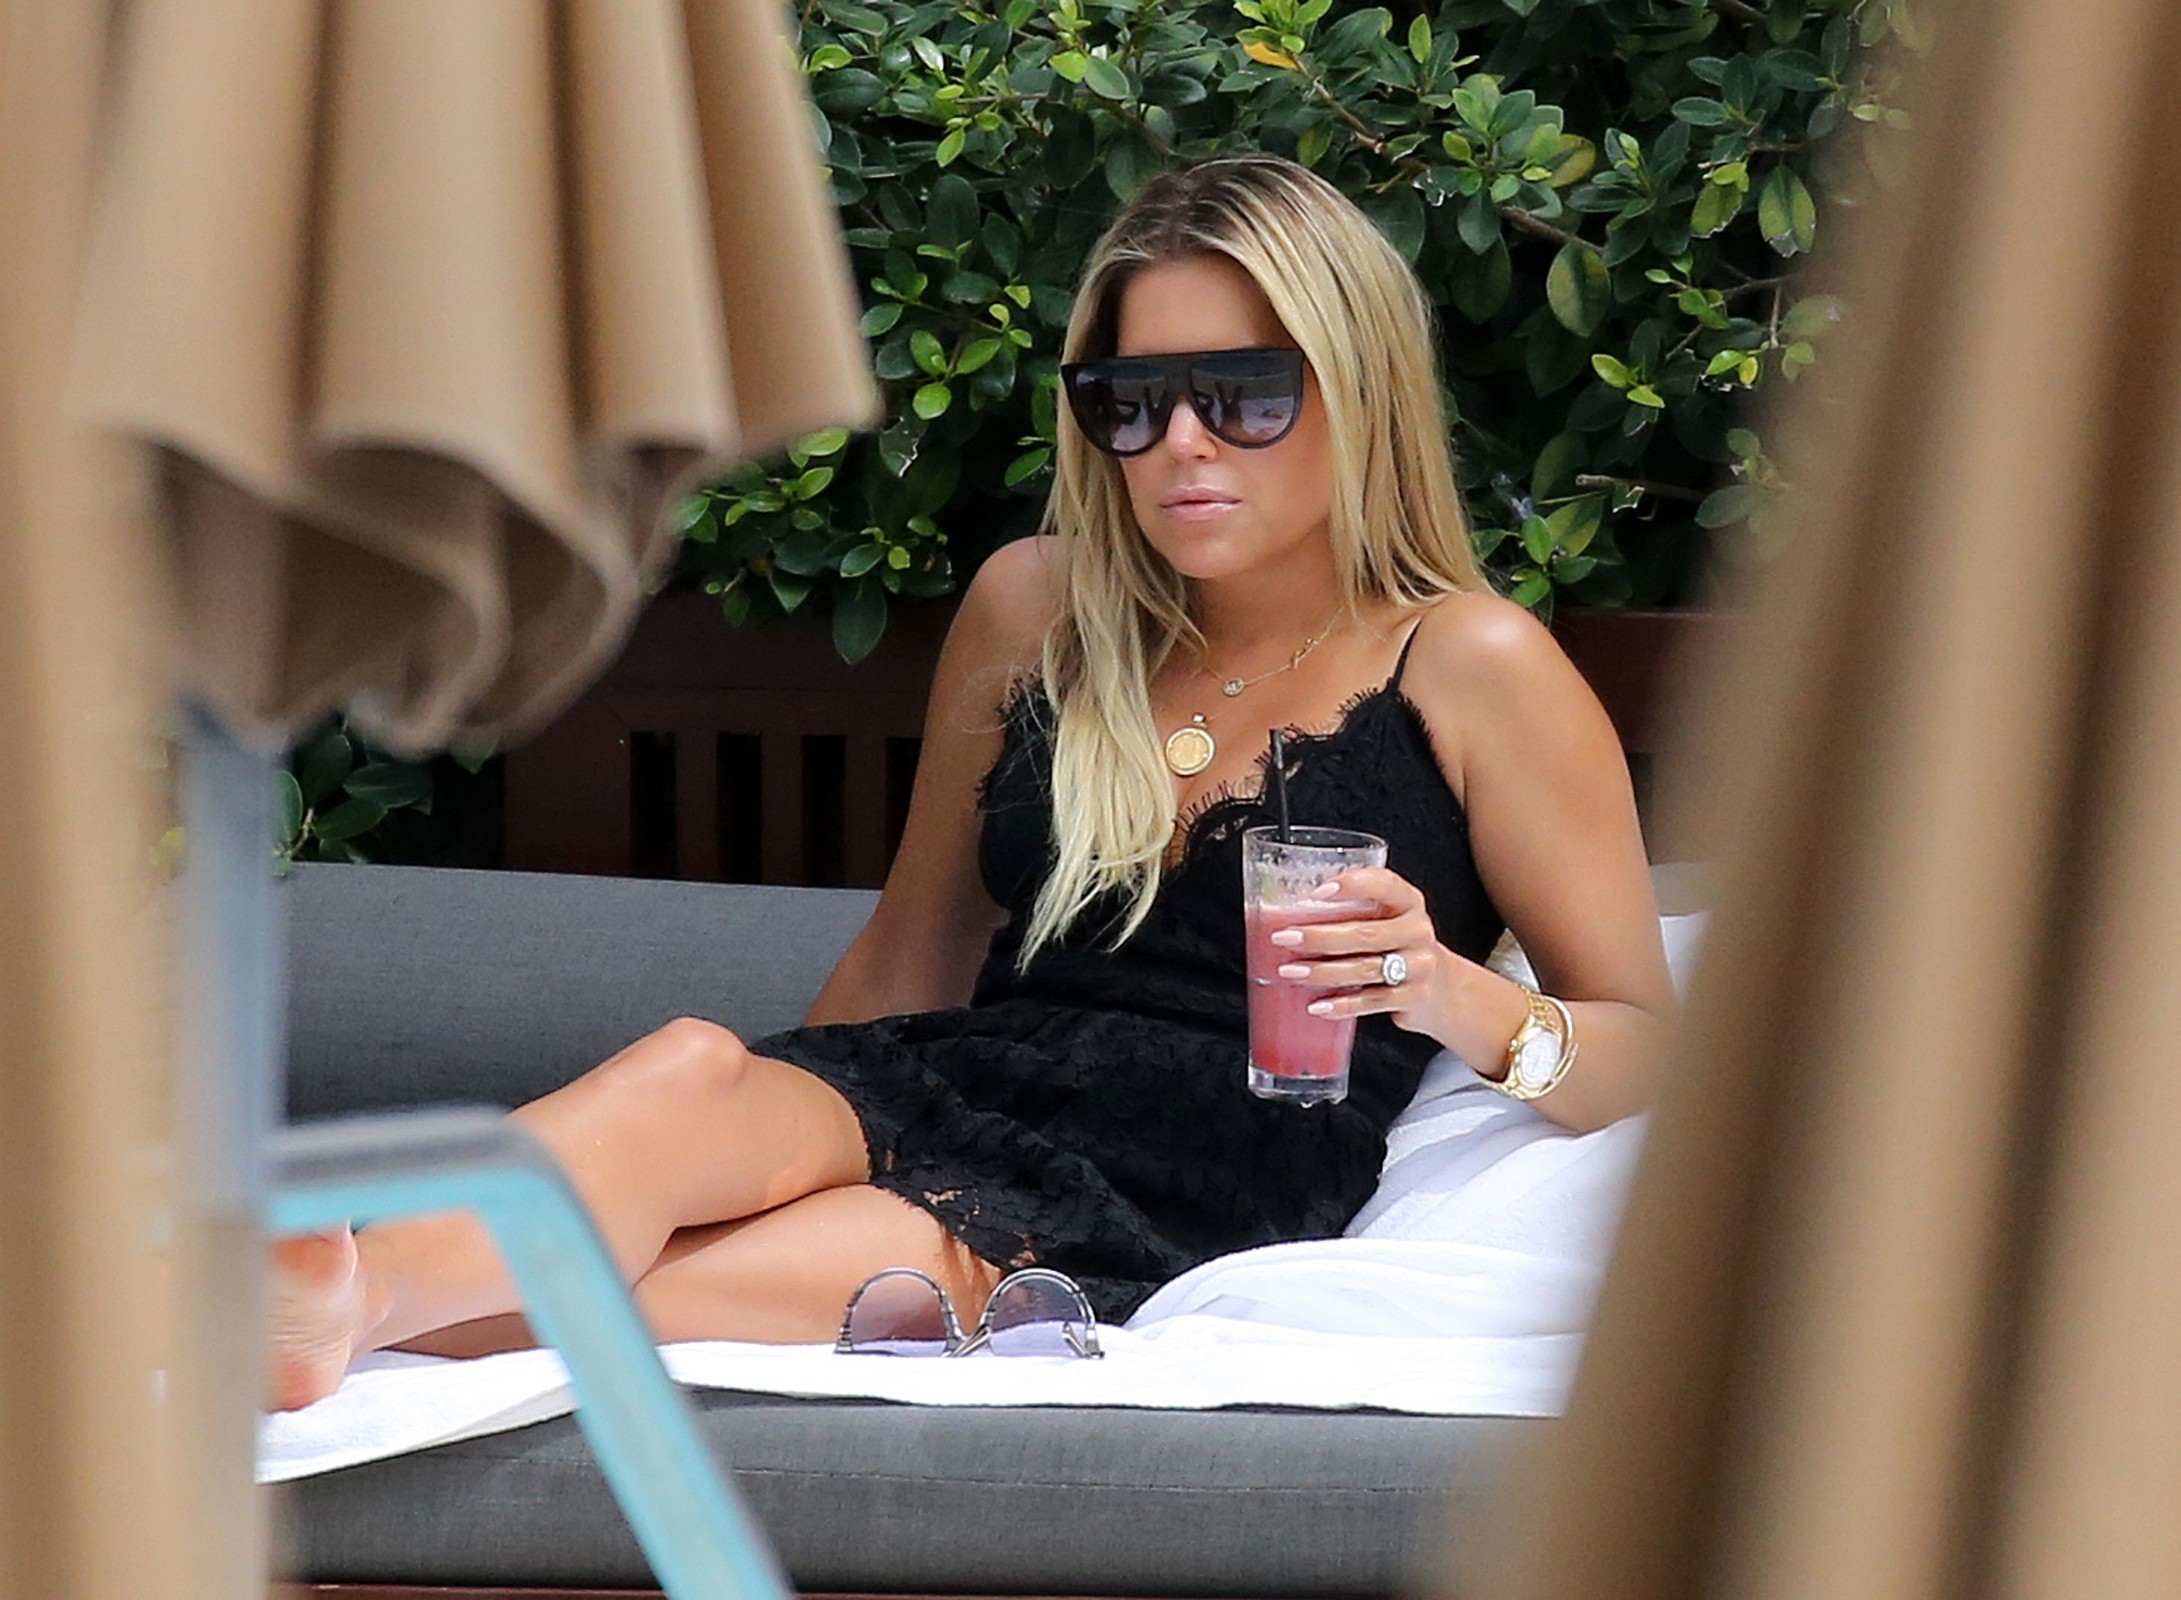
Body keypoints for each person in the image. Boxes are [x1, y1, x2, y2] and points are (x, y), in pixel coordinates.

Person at [269, 154, 1677, 1411]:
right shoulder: (1037, 608)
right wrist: (766, 1131)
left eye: (1244, 395)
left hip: (1185, 1173)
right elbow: (916, 950)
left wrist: (1450, 995)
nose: (1181, 444)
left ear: (1355, 391)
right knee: (689, 1074)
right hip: (961, 1076)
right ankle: (327, 1294)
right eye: (1131, 403)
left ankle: (320, 1311)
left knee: (737, 1275)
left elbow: (1649, 1051)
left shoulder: (1472, 663)